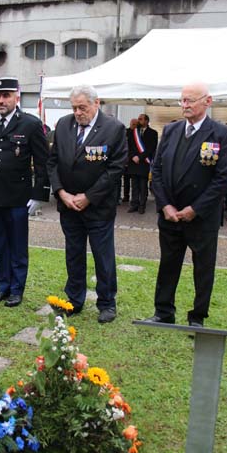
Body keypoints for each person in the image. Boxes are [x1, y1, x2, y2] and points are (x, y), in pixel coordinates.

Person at [145, 82, 227, 328]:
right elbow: (157, 170)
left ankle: (197, 317)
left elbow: (222, 178)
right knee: (168, 265)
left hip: (201, 217)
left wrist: (195, 209)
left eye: (190, 100)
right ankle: (163, 311)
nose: (185, 105)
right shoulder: (171, 130)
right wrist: (165, 205)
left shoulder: (221, 134)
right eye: (182, 100)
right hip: (170, 215)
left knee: (203, 269)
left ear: (208, 101)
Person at [47, 84, 127, 324]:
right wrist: (61, 192)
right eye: (74, 108)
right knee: (73, 254)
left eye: (82, 107)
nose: (78, 113)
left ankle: (106, 303)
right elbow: (53, 162)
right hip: (69, 205)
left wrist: (89, 196)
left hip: (98, 207)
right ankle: (74, 299)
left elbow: (115, 168)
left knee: (103, 256)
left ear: (96, 103)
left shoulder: (113, 128)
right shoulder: (64, 125)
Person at [0, 77, 50, 307]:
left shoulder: (30, 124)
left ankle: (17, 289)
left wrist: (39, 195)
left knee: (17, 246)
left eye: (6, 96)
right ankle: (3, 285)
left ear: (17, 97)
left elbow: (43, 163)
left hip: (18, 197)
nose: (1, 100)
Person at [127, 113, 158, 214]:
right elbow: (129, 146)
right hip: (133, 162)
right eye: (138, 118)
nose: (138, 120)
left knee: (143, 186)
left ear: (146, 121)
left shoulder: (153, 133)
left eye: (140, 119)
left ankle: (142, 206)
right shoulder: (133, 132)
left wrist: (139, 157)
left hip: (144, 162)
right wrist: (133, 156)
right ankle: (134, 204)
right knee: (134, 185)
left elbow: (151, 148)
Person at [122, 118, 138, 203]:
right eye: (132, 124)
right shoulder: (126, 132)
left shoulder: (138, 133)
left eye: (135, 124)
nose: (133, 126)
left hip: (135, 160)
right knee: (126, 179)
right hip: (126, 159)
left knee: (135, 181)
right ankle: (126, 196)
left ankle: (135, 198)